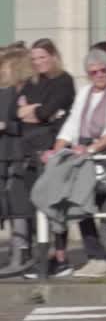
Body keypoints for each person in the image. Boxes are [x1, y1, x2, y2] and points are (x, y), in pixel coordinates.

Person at [40, 49, 106, 278]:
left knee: (105, 203)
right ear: (88, 74)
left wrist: (90, 150)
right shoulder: (85, 93)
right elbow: (72, 124)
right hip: (84, 154)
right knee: (80, 203)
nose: (100, 75)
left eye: (104, 70)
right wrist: (57, 149)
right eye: (94, 72)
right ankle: (94, 255)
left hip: (105, 152)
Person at [18, 39, 77, 277]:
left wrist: (32, 110)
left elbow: (46, 112)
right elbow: (17, 112)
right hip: (30, 149)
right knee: (34, 203)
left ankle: (61, 257)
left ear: (53, 56)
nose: (38, 63)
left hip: (54, 147)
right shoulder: (31, 83)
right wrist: (35, 111)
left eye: (42, 57)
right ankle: (40, 256)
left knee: (55, 204)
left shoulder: (64, 81)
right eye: (34, 59)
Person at [0, 49, 34, 276]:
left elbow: (22, 124)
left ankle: (21, 253)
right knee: (9, 206)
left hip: (13, 155)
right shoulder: (6, 92)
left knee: (17, 206)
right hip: (4, 154)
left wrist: (5, 126)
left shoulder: (18, 92)